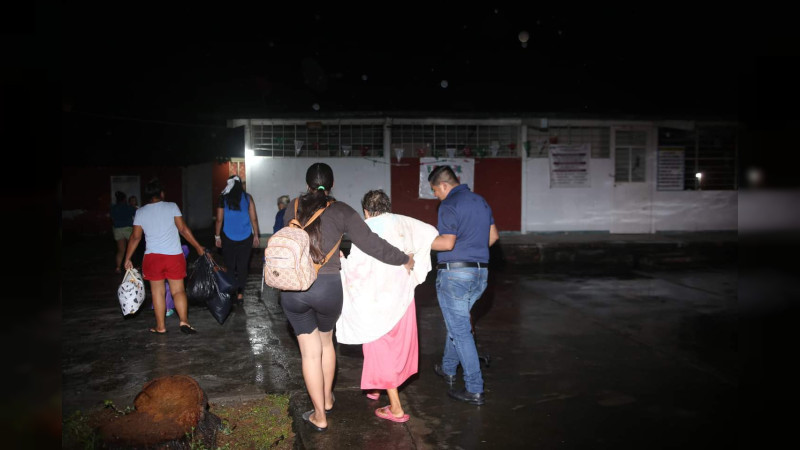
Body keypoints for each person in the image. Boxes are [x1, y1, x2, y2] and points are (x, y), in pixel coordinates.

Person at [281, 163, 415, 432]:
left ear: (307, 184)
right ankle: (328, 399)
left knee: (309, 355)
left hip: (293, 288)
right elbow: (372, 243)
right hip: (327, 288)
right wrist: (404, 259)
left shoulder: (292, 207)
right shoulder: (341, 210)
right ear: (331, 185)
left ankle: (319, 414)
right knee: (326, 345)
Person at [337, 190, 438, 423]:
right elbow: (430, 233)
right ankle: (376, 387)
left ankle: (396, 408)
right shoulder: (401, 222)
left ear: (365, 210)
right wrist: (414, 259)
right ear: (388, 206)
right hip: (402, 298)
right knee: (395, 346)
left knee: (381, 349)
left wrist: (342, 262)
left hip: (377, 301)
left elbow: (358, 268)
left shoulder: (365, 229)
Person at [428, 165, 499, 406]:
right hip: (481, 273)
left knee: (460, 331)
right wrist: (472, 251)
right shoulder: (481, 201)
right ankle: (448, 368)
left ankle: (474, 388)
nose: (436, 195)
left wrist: (420, 242)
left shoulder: (448, 204)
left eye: (435, 190)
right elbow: (493, 237)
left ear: (444, 185)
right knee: (457, 323)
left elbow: (447, 244)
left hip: (455, 275)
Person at [124, 179, 206, 334]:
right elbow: (183, 229)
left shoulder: (140, 212)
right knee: (178, 290)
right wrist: (197, 246)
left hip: (153, 258)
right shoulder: (172, 206)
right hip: (173, 256)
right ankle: (184, 321)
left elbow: (135, 237)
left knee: (158, 292)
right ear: (161, 193)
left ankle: (161, 326)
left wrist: (127, 258)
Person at [215, 175, 260, 304]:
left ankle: (232, 292)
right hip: (246, 237)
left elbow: (219, 220)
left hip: (228, 237)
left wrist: (217, 236)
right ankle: (240, 294)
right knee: (242, 266)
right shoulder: (247, 198)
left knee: (230, 266)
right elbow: (254, 219)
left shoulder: (223, 198)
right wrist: (256, 235)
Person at [111, 191, 137, 274]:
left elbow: (112, 218)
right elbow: (136, 213)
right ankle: (130, 267)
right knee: (131, 249)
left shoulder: (113, 208)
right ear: (125, 199)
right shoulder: (128, 207)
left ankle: (118, 267)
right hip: (127, 229)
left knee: (121, 250)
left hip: (117, 229)